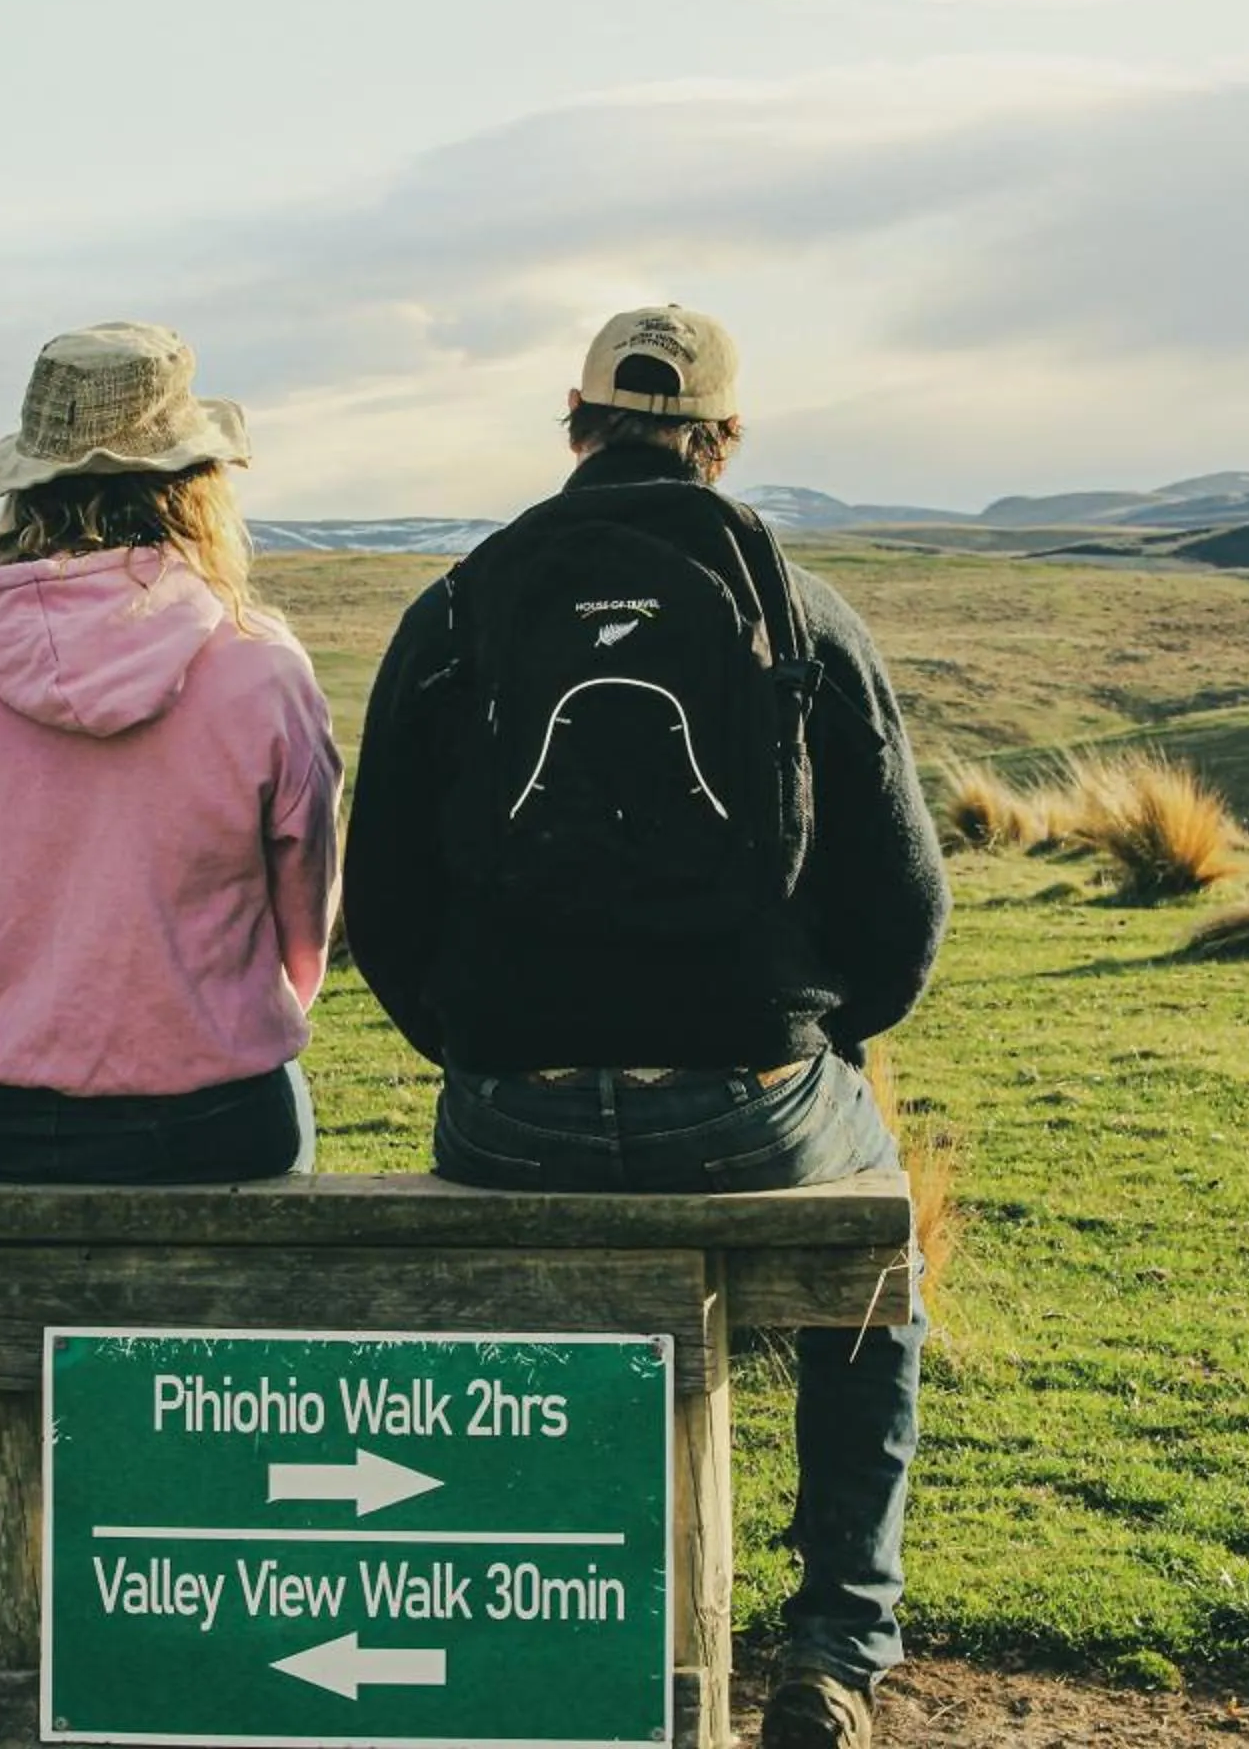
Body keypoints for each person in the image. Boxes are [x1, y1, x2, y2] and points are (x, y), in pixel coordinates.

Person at [342, 305, 949, 1748]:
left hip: (512, 1110)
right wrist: (803, 1036)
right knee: (878, 1252)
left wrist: (488, 1046)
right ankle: (835, 1650)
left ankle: (549, 1626)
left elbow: (382, 899)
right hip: (749, 1098)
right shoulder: (801, 608)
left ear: (575, 425)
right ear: (723, 443)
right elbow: (906, 910)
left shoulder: (456, 609)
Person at [0, 321, 340, 1184]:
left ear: (27, 487)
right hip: (201, 1117)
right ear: (200, 485)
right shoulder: (259, 664)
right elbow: (304, 943)